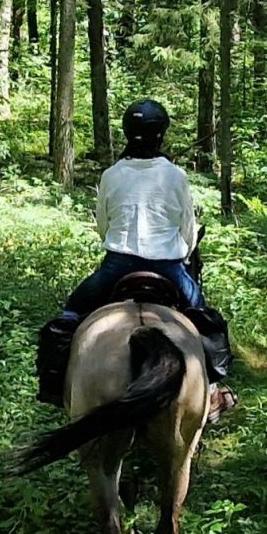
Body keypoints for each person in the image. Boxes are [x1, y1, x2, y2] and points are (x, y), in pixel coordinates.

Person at [37, 99, 237, 417]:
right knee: (209, 322)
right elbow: (187, 230)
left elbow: (104, 227)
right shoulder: (175, 176)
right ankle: (212, 391)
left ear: (128, 132)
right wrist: (182, 252)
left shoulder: (111, 175)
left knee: (69, 316)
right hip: (169, 269)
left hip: (117, 267)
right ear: (162, 135)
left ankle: (53, 385)